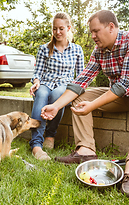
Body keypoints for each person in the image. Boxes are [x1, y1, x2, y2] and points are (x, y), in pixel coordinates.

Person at [40, 10, 129, 197]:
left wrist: (92, 107)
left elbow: (125, 84)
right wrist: (56, 105)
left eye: (96, 31)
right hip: (122, 97)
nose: (92, 36)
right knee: (81, 96)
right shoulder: (99, 52)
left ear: (111, 27)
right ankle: (86, 150)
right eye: (91, 32)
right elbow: (80, 82)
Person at [29, 12, 84, 161]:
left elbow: (80, 76)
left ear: (68, 28)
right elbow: (38, 72)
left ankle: (50, 135)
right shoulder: (44, 49)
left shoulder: (77, 50)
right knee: (41, 94)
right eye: (54, 29)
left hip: (65, 85)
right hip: (46, 82)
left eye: (61, 28)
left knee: (57, 95)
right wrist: (36, 82)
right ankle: (36, 145)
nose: (57, 32)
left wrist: (77, 91)